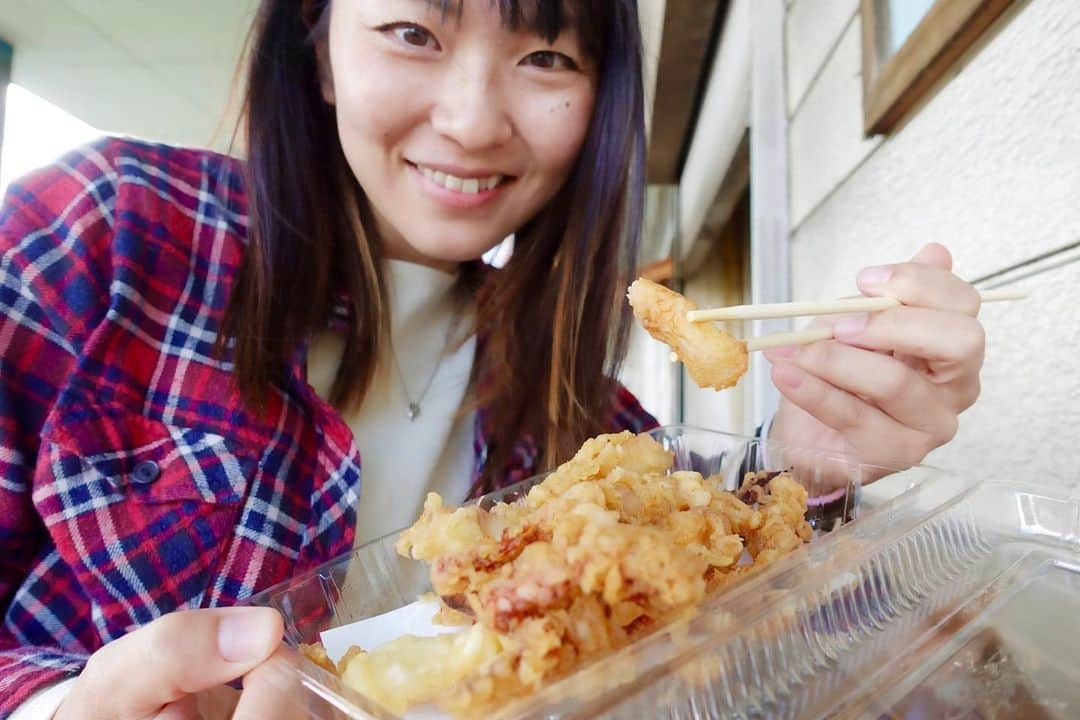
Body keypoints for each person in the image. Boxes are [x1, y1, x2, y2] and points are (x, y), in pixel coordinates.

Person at [0, 1, 986, 718]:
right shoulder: (111, 229)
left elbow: (741, 618)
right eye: (414, 34)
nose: (472, 121)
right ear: (325, 47)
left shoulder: (592, 413)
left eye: (548, 55)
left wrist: (809, 464)